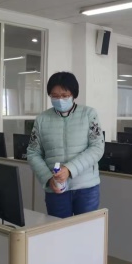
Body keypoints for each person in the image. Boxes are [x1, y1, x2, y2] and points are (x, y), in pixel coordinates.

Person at [27, 72, 105, 218]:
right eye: (55, 96)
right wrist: (48, 178)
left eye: (64, 95)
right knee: (59, 229)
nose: (60, 100)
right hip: (56, 188)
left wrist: (69, 169)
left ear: (73, 94)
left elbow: (97, 148)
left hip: (86, 188)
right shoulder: (42, 119)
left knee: (86, 229)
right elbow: (33, 153)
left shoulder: (89, 114)